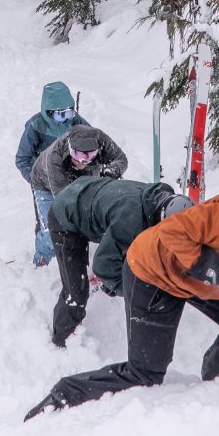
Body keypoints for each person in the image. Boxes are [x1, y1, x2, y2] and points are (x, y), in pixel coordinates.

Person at [24, 194, 219, 420]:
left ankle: (218, 384)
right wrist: (212, 267)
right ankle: (67, 392)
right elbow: (174, 230)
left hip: (206, 282)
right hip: (155, 272)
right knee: (145, 372)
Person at [48, 176, 194, 347]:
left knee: (123, 254)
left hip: (88, 191)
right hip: (65, 215)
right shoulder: (131, 220)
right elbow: (103, 266)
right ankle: (61, 340)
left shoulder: (162, 198)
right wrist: (124, 288)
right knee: (76, 293)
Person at [29, 125, 128, 266]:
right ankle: (41, 260)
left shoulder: (101, 140)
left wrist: (110, 172)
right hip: (45, 184)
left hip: (86, 179)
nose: (84, 161)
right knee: (55, 229)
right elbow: (64, 202)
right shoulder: (55, 159)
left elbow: (121, 159)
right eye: (79, 156)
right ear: (70, 149)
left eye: (89, 156)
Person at [15, 82, 90, 267]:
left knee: (76, 224)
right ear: (48, 112)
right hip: (45, 185)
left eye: (69, 112)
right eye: (59, 114)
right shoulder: (35, 127)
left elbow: (93, 145)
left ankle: (74, 260)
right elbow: (22, 158)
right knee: (49, 227)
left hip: (72, 183)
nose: (65, 118)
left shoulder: (77, 122)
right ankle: (42, 261)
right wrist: (36, 180)